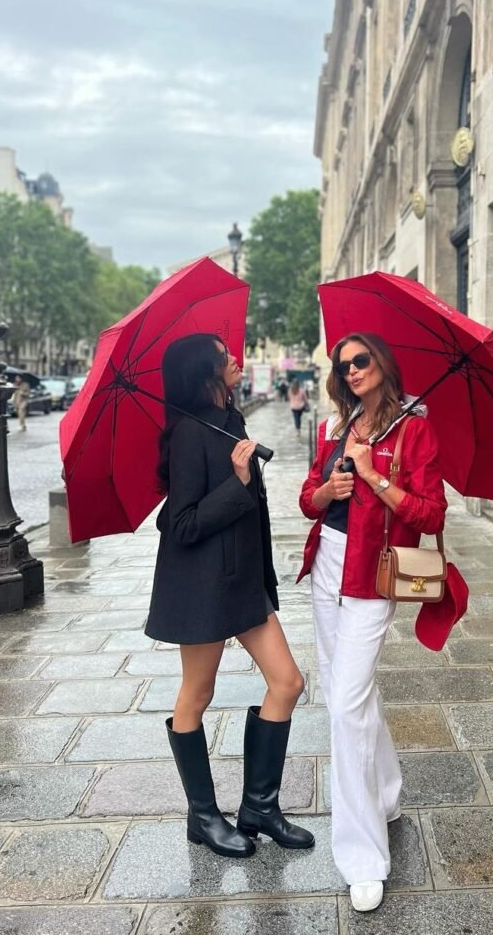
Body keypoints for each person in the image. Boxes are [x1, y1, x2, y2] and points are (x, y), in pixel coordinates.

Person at [146, 333, 313, 859]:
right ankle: (202, 816)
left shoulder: (230, 422)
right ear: (205, 373)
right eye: (223, 356)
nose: (234, 359)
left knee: (287, 682)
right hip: (201, 588)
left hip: (243, 583)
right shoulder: (188, 435)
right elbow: (182, 524)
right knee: (197, 694)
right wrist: (238, 480)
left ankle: (259, 806)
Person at [298, 332, 446, 913]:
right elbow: (308, 498)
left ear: (383, 363)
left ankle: (363, 855)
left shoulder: (414, 428)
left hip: (372, 575)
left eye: (361, 361)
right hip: (326, 567)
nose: (353, 371)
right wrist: (326, 488)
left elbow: (430, 511)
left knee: (343, 704)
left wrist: (374, 476)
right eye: (344, 366)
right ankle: (385, 793)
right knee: (349, 696)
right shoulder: (337, 426)